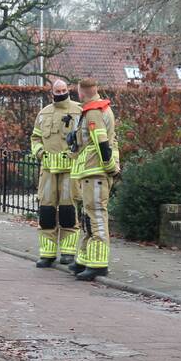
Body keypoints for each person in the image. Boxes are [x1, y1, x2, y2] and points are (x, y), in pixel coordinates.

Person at [68, 78, 120, 281]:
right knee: (88, 217)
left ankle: (98, 264)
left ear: (81, 92)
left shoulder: (93, 112)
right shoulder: (96, 110)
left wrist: (109, 169)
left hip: (95, 173)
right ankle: (84, 260)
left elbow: (101, 144)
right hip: (91, 173)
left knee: (96, 217)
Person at [30, 80, 83, 268]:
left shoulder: (78, 111)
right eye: (57, 91)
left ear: (68, 90)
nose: (61, 93)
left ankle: (68, 253)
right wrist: (39, 152)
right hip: (48, 171)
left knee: (68, 211)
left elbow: (84, 139)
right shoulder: (43, 113)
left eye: (63, 90)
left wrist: (75, 155)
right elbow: (35, 137)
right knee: (46, 211)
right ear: (51, 92)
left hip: (70, 170)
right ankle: (47, 253)